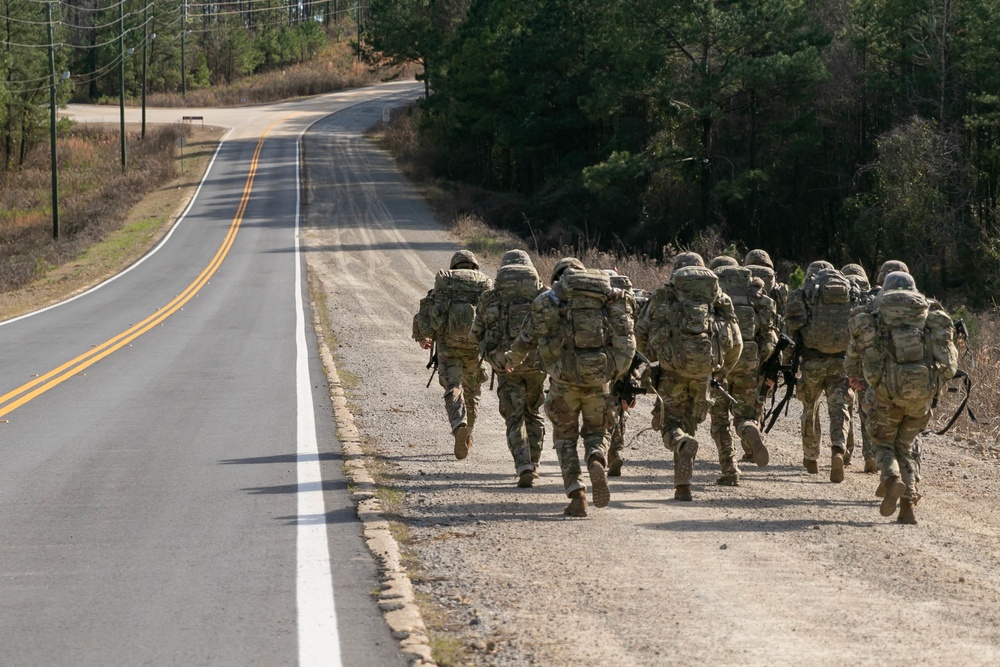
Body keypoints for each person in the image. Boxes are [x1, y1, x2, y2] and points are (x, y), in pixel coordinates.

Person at [505, 258, 636, 517]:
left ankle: (577, 494)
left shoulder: (550, 300)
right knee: (597, 431)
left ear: (558, 277)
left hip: (564, 380)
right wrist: (615, 370)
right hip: (599, 378)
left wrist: (512, 358)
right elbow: (626, 336)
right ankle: (597, 457)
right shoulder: (605, 299)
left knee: (565, 438)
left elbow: (528, 337)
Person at [846, 271, 958, 523]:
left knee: (884, 444)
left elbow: (854, 355)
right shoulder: (929, 315)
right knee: (906, 446)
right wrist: (933, 384)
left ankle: (892, 477)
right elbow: (949, 366)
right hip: (922, 395)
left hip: (885, 392)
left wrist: (855, 377)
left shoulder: (874, 315)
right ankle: (908, 503)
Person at [636, 252, 742, 500]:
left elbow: (640, 332)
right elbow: (736, 340)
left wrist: (652, 360)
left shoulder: (664, 296)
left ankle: (681, 461)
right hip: (704, 372)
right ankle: (682, 483)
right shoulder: (717, 298)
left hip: (671, 371)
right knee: (691, 423)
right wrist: (721, 370)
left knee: (671, 425)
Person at [471, 250, 547, 487]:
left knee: (514, 416)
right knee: (533, 412)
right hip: (536, 364)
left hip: (505, 364)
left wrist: (490, 354)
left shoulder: (490, 298)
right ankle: (534, 463)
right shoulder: (543, 296)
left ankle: (523, 464)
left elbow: (475, 335)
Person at [412, 250, 492, 460]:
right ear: (474, 266)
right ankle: (468, 434)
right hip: (474, 346)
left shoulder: (446, 283)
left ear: (454, 266)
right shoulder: (483, 282)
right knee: (472, 391)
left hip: (448, 345)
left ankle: (459, 425)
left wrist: (421, 337)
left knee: (453, 387)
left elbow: (426, 309)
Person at [783, 261, 856, 482]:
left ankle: (811, 457)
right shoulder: (850, 292)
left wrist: (787, 365)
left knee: (810, 408)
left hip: (812, 362)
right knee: (839, 408)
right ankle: (838, 450)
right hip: (841, 362)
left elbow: (790, 333)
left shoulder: (803, 295)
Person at [708, 264, 778, 482]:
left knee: (719, 420)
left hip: (720, 367)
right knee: (744, 415)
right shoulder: (760, 301)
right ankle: (748, 429)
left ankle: (729, 469)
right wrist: (760, 363)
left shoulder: (713, 299)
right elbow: (770, 339)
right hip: (748, 365)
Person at [604, 269, 640, 477]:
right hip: (626, 359)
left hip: (603, 359)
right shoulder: (630, 303)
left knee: (606, 405)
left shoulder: (601, 302)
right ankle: (615, 450)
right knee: (620, 404)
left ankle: (606, 450)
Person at [840, 263, 874, 470]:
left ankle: (845, 451)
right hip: (866, 362)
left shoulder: (840, 296)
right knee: (866, 409)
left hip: (841, 358)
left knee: (845, 406)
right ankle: (869, 454)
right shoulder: (871, 298)